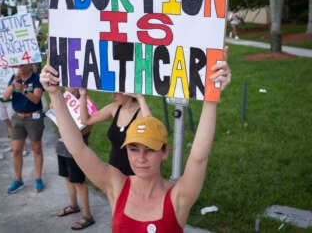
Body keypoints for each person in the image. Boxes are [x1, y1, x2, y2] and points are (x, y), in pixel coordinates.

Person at [40, 46, 231, 232]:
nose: (141, 158)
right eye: (133, 149)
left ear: (165, 151)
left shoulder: (178, 197)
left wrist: (212, 96)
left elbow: (198, 158)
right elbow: (78, 149)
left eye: (149, 149)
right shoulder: (117, 185)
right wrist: (55, 94)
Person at [79, 90, 152, 176]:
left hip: (134, 172)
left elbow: (151, 127)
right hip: (114, 169)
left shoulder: (141, 112)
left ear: (128, 93)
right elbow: (86, 120)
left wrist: (140, 98)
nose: (113, 96)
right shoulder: (114, 108)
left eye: (117, 92)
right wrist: (83, 95)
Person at [55, 88, 95, 230]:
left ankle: (87, 215)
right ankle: (73, 205)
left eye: (70, 85)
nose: (67, 88)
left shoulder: (86, 101)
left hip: (76, 147)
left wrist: (73, 128)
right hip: (62, 143)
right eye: (65, 85)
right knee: (67, 177)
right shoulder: (64, 98)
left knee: (78, 181)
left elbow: (88, 127)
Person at [3, 63, 45, 194]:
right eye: (18, 66)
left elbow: (36, 100)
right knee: (16, 150)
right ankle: (18, 179)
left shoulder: (37, 78)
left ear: (30, 65)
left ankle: (38, 178)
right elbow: (4, 97)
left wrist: (23, 90)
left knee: (36, 148)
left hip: (34, 117)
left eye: (22, 65)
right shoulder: (14, 78)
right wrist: (14, 83)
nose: (19, 68)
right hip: (18, 117)